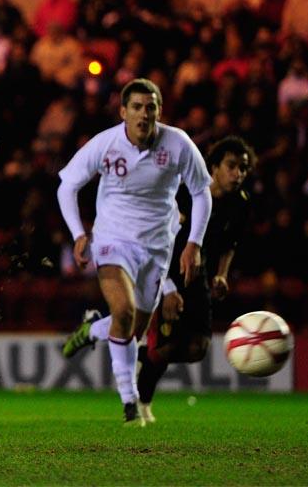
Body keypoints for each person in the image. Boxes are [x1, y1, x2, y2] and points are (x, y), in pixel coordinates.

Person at [63, 136, 255, 424]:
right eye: (231, 166)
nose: (238, 174)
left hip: (196, 271)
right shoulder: (183, 196)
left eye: (243, 168)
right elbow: (160, 240)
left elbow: (230, 244)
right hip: (161, 266)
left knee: (196, 348)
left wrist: (222, 275)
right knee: (160, 345)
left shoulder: (240, 203)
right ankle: (141, 401)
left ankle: (95, 330)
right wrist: (168, 288)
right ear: (213, 168)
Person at [56, 78, 212, 425]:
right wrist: (80, 234)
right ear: (123, 112)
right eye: (137, 107)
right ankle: (129, 398)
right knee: (124, 312)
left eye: (151, 106)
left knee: (134, 329)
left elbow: (201, 192)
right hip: (112, 240)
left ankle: (93, 329)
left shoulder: (178, 144)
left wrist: (194, 242)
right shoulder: (106, 143)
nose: (144, 114)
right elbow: (68, 185)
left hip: (157, 248)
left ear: (159, 110)